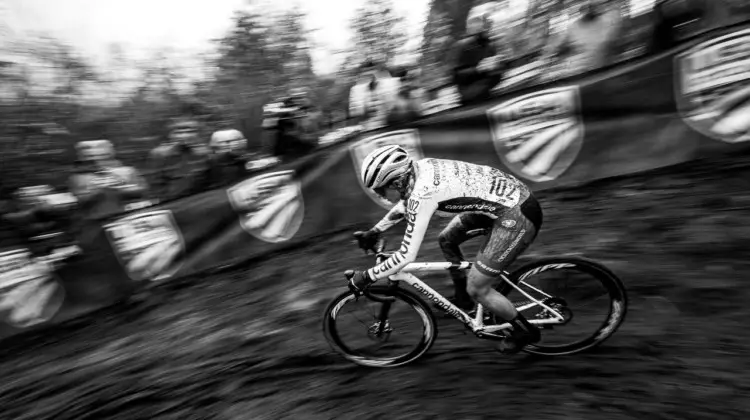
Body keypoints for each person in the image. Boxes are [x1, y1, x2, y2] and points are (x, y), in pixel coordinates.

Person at [348, 145, 543, 354]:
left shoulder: (424, 193)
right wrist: (376, 230)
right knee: (447, 239)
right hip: (505, 200)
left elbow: (406, 255)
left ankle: (524, 330)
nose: (381, 196)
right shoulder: (419, 169)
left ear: (397, 181)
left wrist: (367, 277)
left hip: (516, 216)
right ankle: (463, 299)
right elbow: (407, 204)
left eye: (380, 190)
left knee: (478, 288)